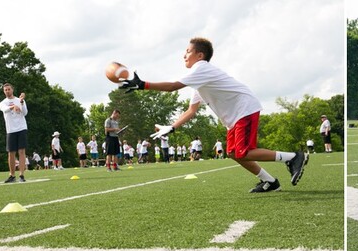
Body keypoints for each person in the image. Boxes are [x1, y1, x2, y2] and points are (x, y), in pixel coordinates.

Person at [120, 37, 308, 193]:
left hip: (244, 108)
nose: (184, 55)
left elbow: (172, 87)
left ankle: (293, 157)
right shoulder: (199, 80)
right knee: (233, 153)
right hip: (234, 117)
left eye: (188, 51)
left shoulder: (201, 68)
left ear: (199, 55)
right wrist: (172, 127)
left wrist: (143, 84)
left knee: (243, 152)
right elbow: (191, 111)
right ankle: (270, 181)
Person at [0, 83, 29, 183]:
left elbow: (25, 113)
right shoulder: (3, 103)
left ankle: (21, 175)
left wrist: (21, 102)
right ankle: (12, 175)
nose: (7, 91)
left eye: (9, 89)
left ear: (12, 90)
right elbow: (4, 109)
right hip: (10, 130)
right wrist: (13, 107)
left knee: (21, 151)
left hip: (21, 128)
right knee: (11, 153)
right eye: (5, 90)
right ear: (4, 91)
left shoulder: (19, 100)